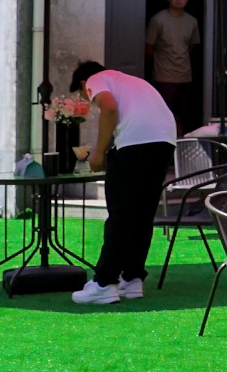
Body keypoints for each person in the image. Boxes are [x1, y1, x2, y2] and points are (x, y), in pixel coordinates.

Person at [65, 58, 179, 307]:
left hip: (135, 145)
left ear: (84, 83)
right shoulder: (132, 81)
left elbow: (109, 109)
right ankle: (132, 279)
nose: (87, 100)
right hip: (164, 142)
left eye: (83, 95)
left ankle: (104, 283)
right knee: (142, 214)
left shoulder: (96, 79)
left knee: (121, 214)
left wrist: (100, 151)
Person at [145, 0, 202, 131]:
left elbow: (191, 46)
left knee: (182, 113)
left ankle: (180, 136)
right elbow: (149, 47)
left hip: (185, 75)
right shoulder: (158, 20)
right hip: (163, 76)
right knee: (164, 112)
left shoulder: (192, 21)